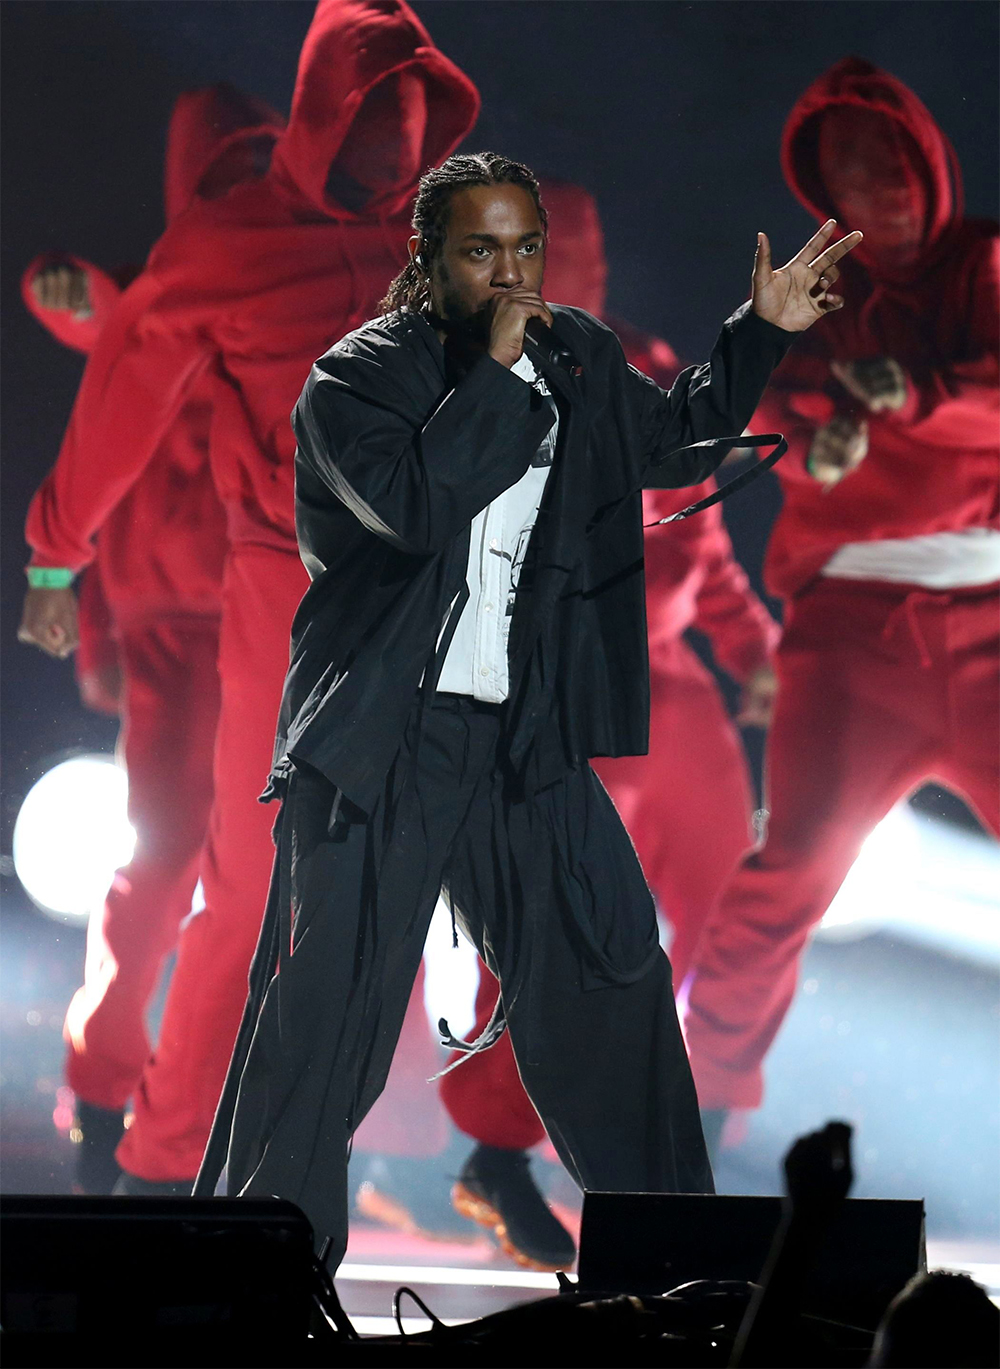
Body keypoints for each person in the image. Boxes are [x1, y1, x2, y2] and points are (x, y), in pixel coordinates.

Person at [193, 150, 859, 1270]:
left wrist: (759, 331)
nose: (509, 274)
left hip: (524, 739)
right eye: (479, 250)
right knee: (324, 1011)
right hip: (381, 737)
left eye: (524, 248)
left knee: (613, 973)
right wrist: (500, 379)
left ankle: (681, 1271)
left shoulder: (577, 354)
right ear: (428, 258)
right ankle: (255, 1280)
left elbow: (669, 442)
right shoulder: (360, 378)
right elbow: (411, 504)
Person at [19, 0, 479, 1195]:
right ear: (319, 118)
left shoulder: (438, 255)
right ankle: (160, 1160)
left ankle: (302, 1165)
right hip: (280, 603)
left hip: (423, 604)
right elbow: (116, 370)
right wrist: (56, 556)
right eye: (371, 115)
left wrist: (641, 494)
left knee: (383, 897)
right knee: (228, 883)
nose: (392, 142)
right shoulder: (229, 245)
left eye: (410, 119)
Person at [681, 58, 999, 1139]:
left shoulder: (984, 264)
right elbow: (755, 400)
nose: (881, 190)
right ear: (826, 197)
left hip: (990, 621)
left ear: (928, 160)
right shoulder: (814, 289)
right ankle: (693, 1115)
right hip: (852, 639)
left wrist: (915, 394)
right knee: (790, 870)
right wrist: (815, 436)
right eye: (851, 174)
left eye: (892, 162)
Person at [18, 84, 284, 1193]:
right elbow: (110, 323)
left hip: (269, 618)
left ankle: (188, 1114)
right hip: (175, 627)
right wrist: (69, 294)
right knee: (161, 863)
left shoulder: (276, 281)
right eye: (216, 177)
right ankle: (103, 1087)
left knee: (256, 889)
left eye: (251, 172)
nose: (236, 194)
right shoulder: (167, 296)